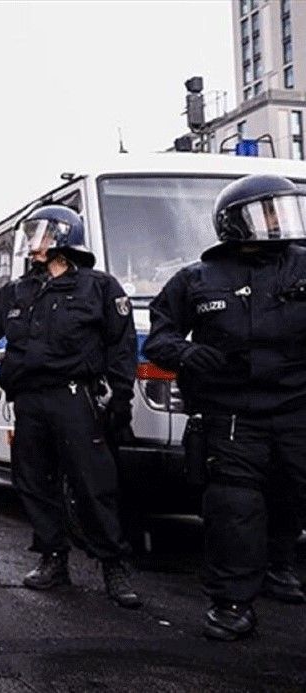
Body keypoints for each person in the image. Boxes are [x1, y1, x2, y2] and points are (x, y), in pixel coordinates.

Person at [144, 174, 306, 639]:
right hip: (233, 413)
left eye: (281, 210)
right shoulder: (197, 279)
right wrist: (187, 353)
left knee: (293, 494)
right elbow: (160, 337)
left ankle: (280, 565)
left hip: (298, 408)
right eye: (266, 211)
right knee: (234, 506)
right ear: (233, 222)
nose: (277, 221)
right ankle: (232, 601)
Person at [0, 204, 141, 609]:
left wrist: (119, 399)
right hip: (30, 400)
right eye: (31, 235)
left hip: (76, 397)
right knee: (33, 481)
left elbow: (121, 348)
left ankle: (113, 564)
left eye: (42, 234)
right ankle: (53, 557)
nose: (33, 244)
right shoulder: (18, 292)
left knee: (93, 484)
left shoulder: (99, 287)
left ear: (64, 238)